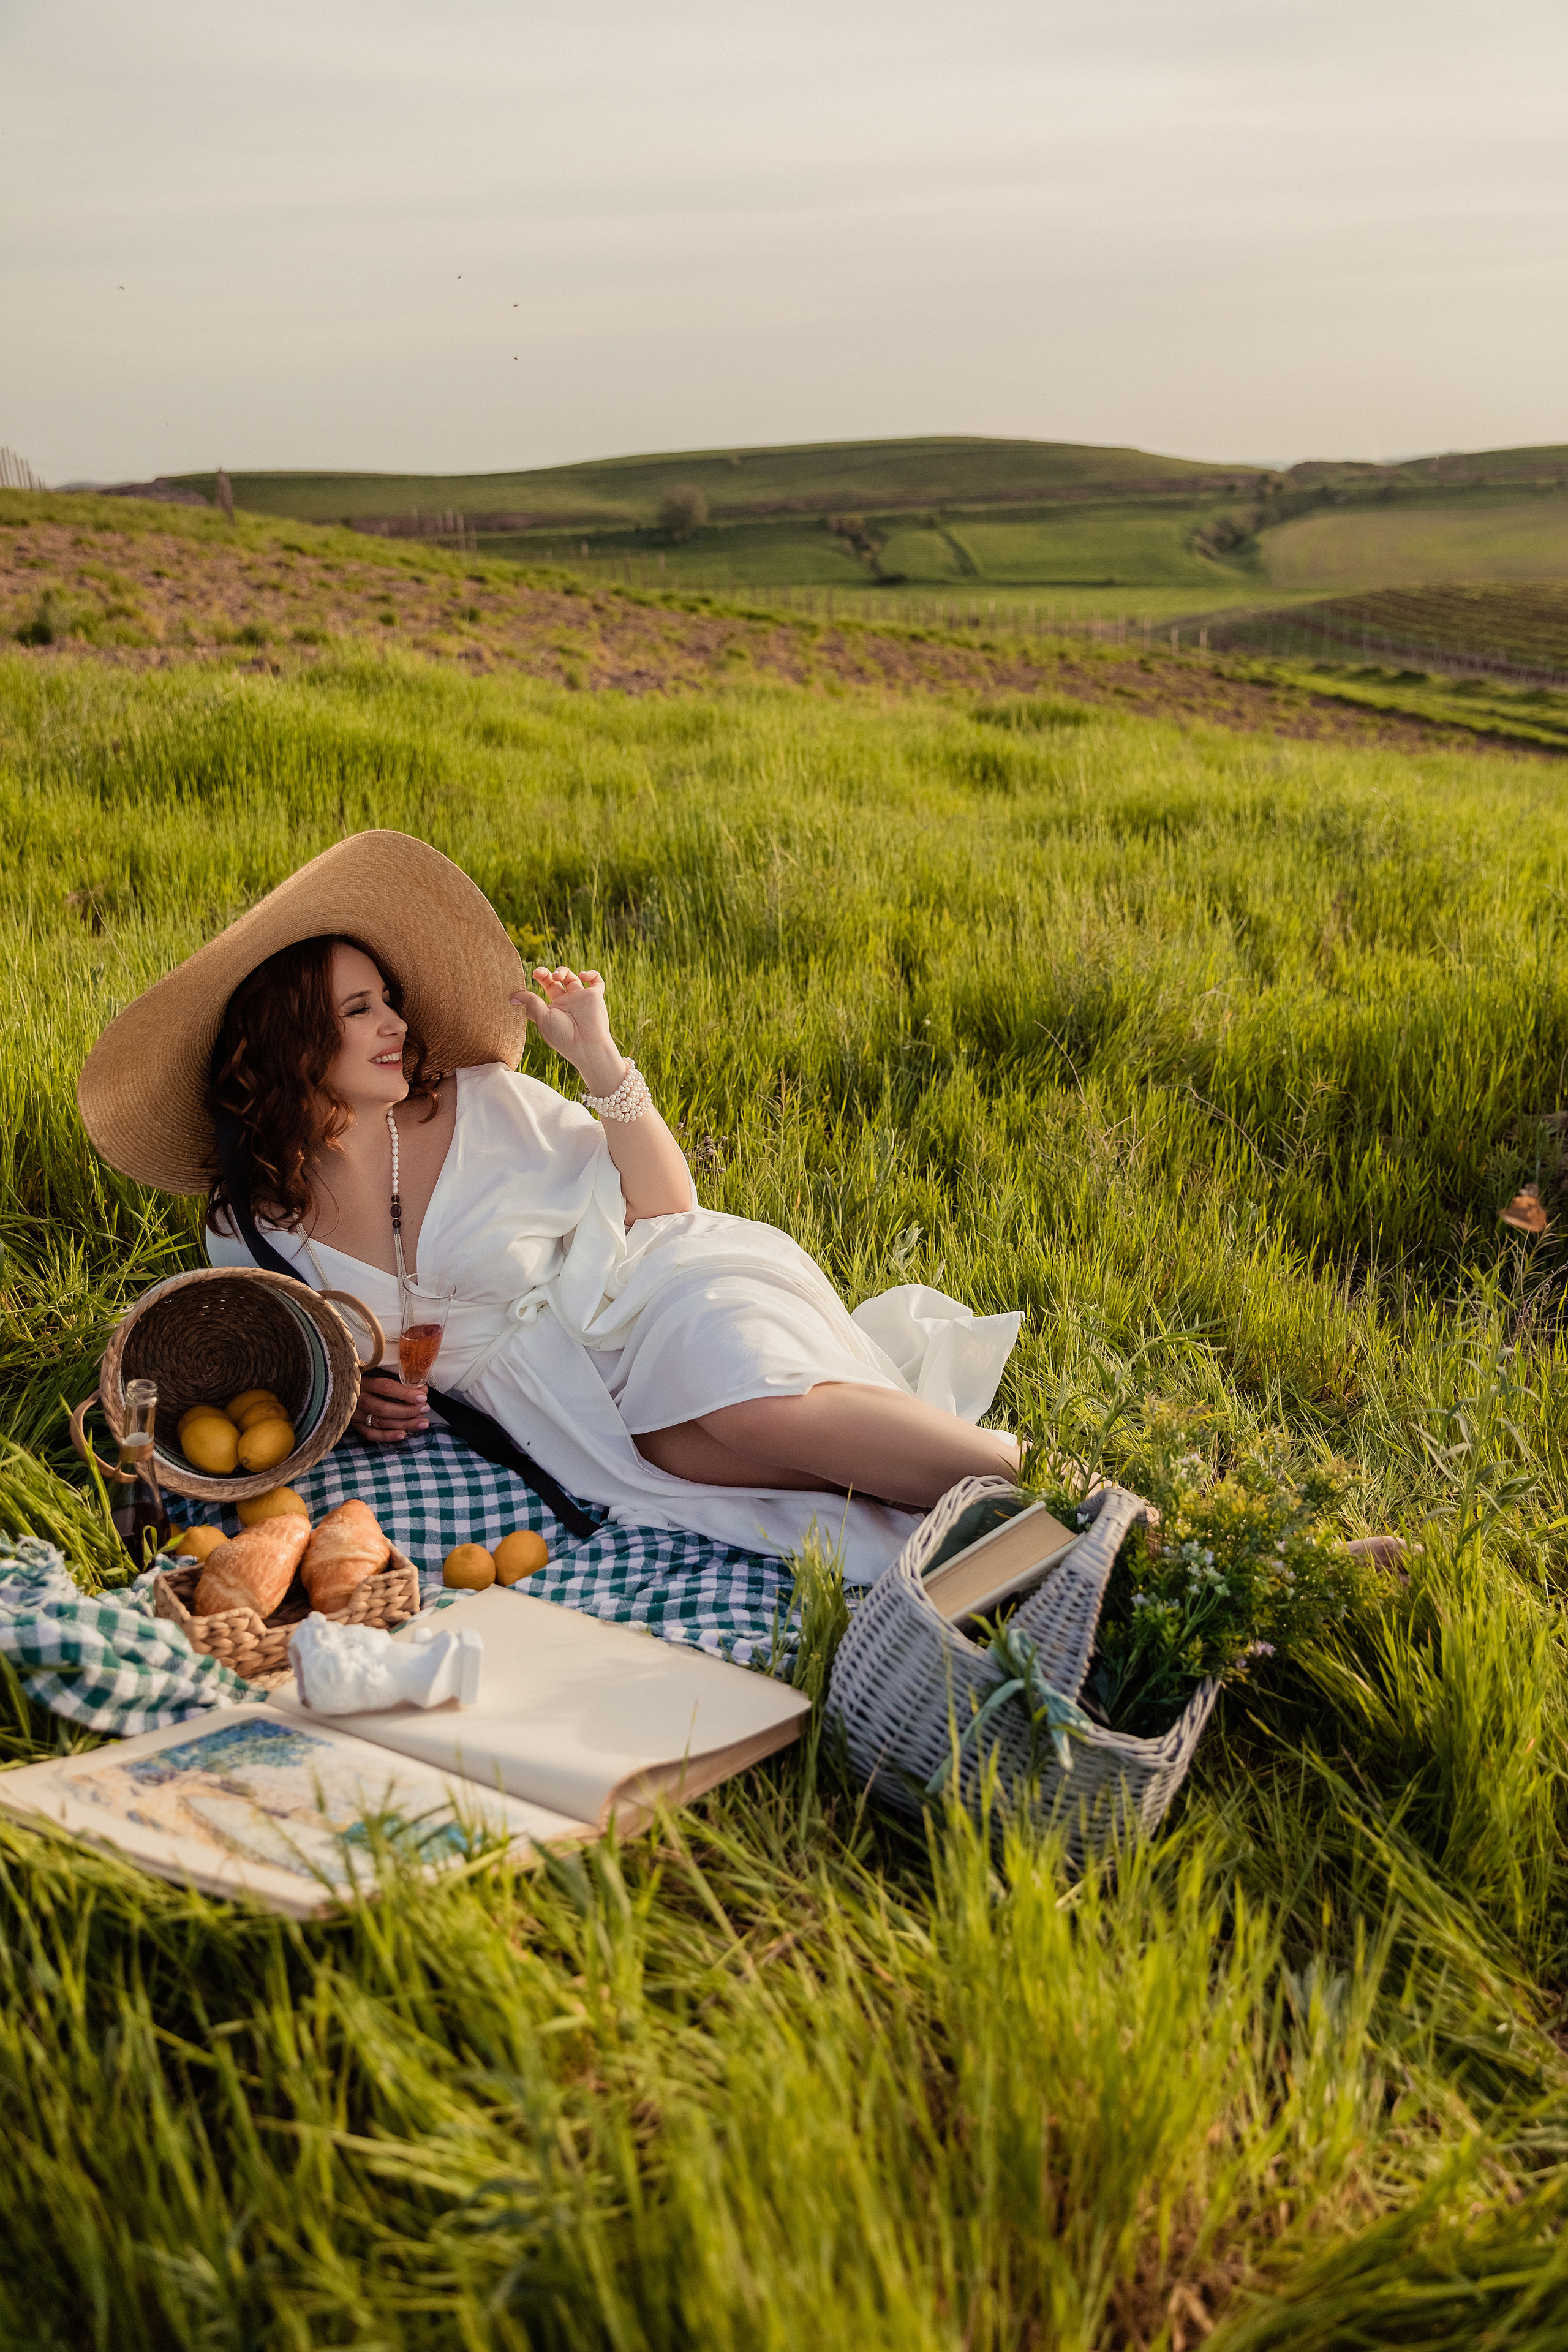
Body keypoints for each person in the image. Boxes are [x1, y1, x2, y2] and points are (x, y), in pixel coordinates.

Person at [78, 831, 1023, 1582]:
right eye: (360, 1009)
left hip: (644, 1300)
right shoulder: (249, 1223)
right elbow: (294, 1373)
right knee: (721, 1471)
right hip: (559, 1408)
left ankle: (1041, 1485)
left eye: (389, 1000)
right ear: (293, 1041)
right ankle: (1008, 1529)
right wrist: (360, 1403)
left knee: (755, 1413)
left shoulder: (479, 1103)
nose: (396, 1024)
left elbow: (667, 1206)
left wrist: (600, 1064)